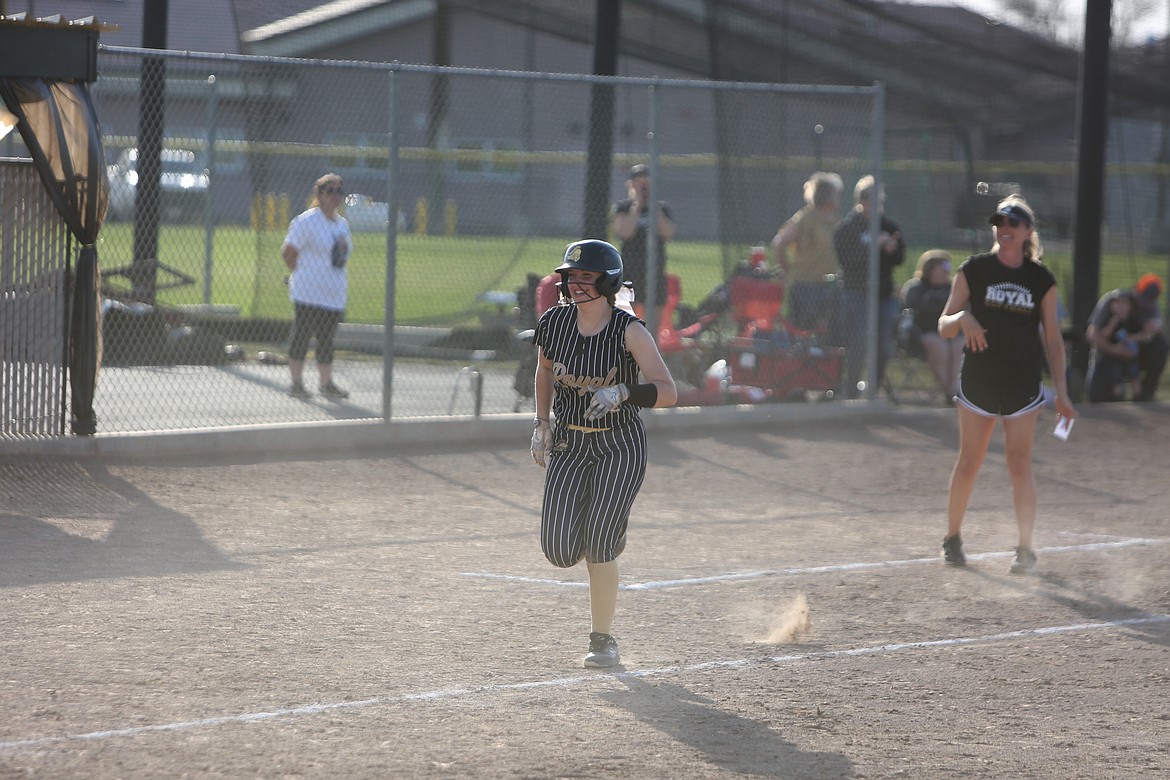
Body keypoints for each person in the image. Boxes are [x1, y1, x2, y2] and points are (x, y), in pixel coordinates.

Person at [530, 239, 677, 668]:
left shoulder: (628, 329)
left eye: (586, 277)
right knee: (558, 550)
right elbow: (544, 369)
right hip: (570, 443)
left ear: (607, 281)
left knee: (597, 545)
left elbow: (669, 392)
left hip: (619, 444)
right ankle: (608, 535)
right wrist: (541, 423)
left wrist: (624, 391)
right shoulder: (553, 324)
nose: (576, 284)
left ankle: (602, 640)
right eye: (572, 276)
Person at [937, 196, 1077, 574]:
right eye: (1000, 221)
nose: (1005, 227)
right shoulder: (974, 270)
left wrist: (1061, 391)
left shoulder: (1040, 279)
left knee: (1019, 463)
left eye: (1014, 222)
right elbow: (943, 324)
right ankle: (952, 539)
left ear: (1028, 231)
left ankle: (1025, 548)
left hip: (1022, 381)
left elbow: (1052, 338)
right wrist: (963, 317)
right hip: (980, 378)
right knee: (970, 461)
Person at [832, 175, 905, 397]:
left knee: (883, 345)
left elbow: (900, 256)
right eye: (873, 199)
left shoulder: (888, 225)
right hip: (856, 293)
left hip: (883, 295)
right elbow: (847, 262)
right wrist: (873, 245)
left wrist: (890, 249)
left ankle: (872, 389)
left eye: (880, 200)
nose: (878, 204)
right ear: (861, 200)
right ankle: (851, 389)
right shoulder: (847, 229)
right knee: (858, 343)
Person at [282, 173, 352, 400]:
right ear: (319, 195)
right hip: (308, 292)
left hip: (332, 294)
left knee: (326, 340)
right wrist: (303, 275)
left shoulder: (342, 225)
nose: (335, 196)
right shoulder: (307, 221)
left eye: (339, 191)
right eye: (329, 191)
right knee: (301, 335)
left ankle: (325, 383)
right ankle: (296, 383)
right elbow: (288, 253)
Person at [771, 171, 843, 334]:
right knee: (804, 331)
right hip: (805, 286)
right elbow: (779, 243)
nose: (839, 198)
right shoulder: (805, 218)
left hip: (830, 286)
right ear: (827, 195)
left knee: (829, 333)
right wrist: (787, 269)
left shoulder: (836, 220)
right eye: (836, 194)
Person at [1086, 273, 1168, 402]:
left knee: (1161, 345)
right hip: (1107, 355)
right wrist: (1114, 350)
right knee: (1098, 396)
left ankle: (1145, 395)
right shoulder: (1113, 300)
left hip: (1133, 353)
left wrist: (1149, 332)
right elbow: (1092, 334)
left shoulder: (1151, 306)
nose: (1142, 305)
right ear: (1135, 290)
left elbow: (1156, 329)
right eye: (1141, 300)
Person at [611, 164, 676, 324]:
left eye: (647, 184)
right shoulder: (623, 208)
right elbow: (625, 232)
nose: (644, 188)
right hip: (630, 273)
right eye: (639, 183)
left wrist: (653, 206)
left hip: (654, 272)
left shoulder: (661, 209)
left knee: (652, 326)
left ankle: (649, 348)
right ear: (631, 184)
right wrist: (637, 205)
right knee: (623, 324)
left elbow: (668, 232)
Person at [901, 250, 963, 402]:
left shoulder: (952, 288)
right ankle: (950, 392)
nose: (947, 270)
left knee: (959, 344)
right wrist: (933, 298)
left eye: (948, 266)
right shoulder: (916, 287)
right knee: (938, 345)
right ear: (930, 269)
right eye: (942, 266)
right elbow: (913, 306)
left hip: (951, 334)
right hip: (923, 334)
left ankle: (953, 390)